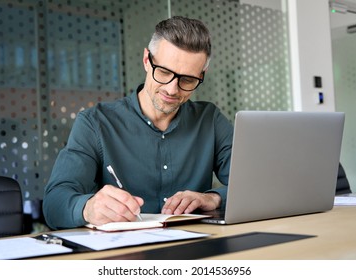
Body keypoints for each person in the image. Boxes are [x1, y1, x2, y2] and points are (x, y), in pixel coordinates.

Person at [43, 16, 233, 230]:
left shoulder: (210, 120)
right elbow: (54, 204)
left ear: (201, 75)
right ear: (146, 60)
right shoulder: (95, 123)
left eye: (187, 80)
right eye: (163, 72)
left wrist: (214, 198)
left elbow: (256, 188)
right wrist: (88, 208)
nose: (172, 89)